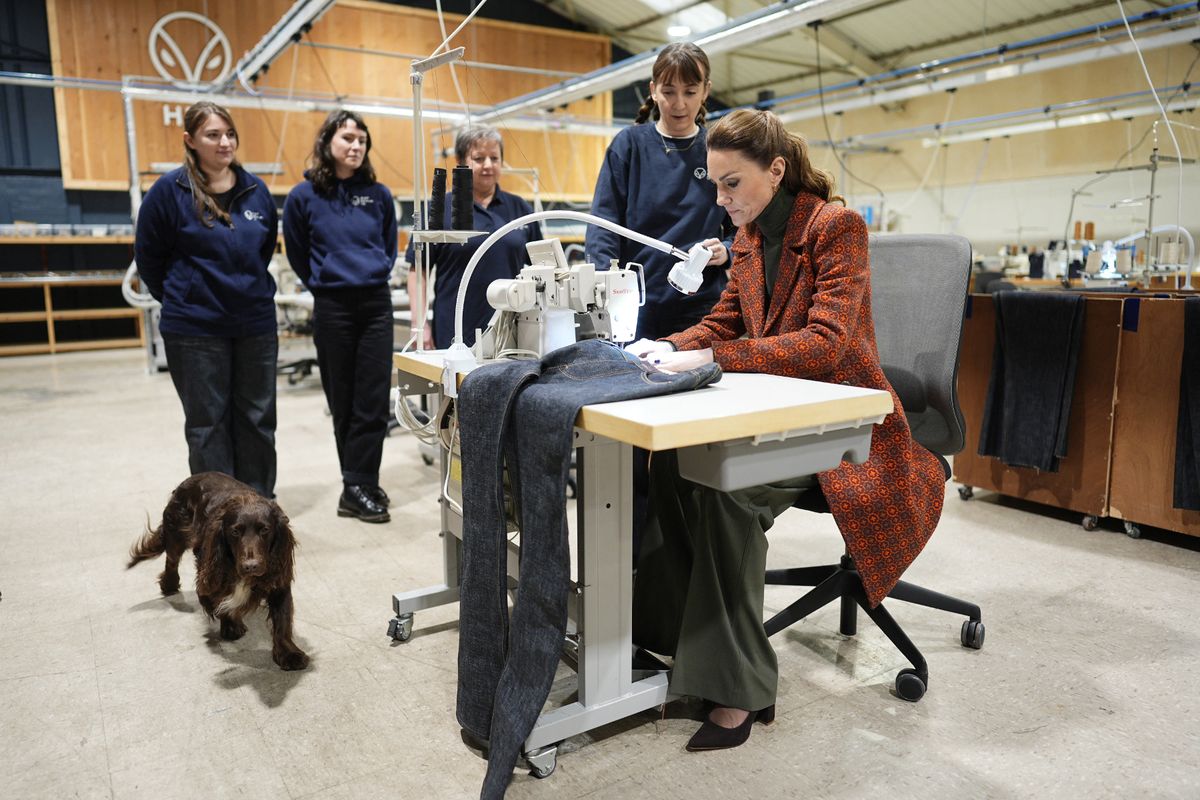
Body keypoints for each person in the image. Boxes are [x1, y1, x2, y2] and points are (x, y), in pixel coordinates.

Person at [629, 109, 947, 752]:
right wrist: (659, 348)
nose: (721, 199)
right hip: (778, 410)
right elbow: (721, 324)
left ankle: (738, 691)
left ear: (776, 171)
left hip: (844, 422)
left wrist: (712, 359)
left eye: (732, 184)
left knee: (726, 490)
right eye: (714, 185)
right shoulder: (746, 239)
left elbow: (825, 346)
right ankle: (669, 643)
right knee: (666, 462)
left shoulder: (836, 228)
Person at [135, 101, 280, 498]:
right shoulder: (170, 192)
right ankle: (219, 510)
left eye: (229, 133)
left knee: (257, 419)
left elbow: (263, 250)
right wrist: (186, 297)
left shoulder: (256, 190)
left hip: (254, 325)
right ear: (190, 140)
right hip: (195, 330)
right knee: (207, 424)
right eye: (213, 135)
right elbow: (149, 257)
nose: (224, 142)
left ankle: (256, 504)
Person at [283, 110, 398, 523]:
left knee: (372, 399)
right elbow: (296, 250)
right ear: (327, 142)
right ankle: (357, 483)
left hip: (374, 304)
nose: (356, 146)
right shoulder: (303, 197)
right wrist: (321, 281)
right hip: (332, 305)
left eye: (362, 140)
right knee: (343, 399)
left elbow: (388, 246)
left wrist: (373, 272)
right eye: (347, 137)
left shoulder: (379, 195)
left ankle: (360, 481)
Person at [586, 41, 731, 341]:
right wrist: (603, 288)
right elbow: (603, 225)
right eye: (668, 92)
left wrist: (726, 251)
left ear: (706, 90)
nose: (679, 104)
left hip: (700, 305)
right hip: (634, 304)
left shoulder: (717, 150)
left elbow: (743, 227)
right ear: (653, 90)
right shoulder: (628, 146)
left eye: (690, 92)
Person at [405, 126, 542, 350]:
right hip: (455, 331)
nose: (488, 165)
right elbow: (417, 270)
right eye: (479, 158)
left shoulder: (520, 208)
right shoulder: (438, 210)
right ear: (460, 161)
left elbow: (541, 266)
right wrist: (419, 325)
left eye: (494, 158)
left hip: (512, 332)